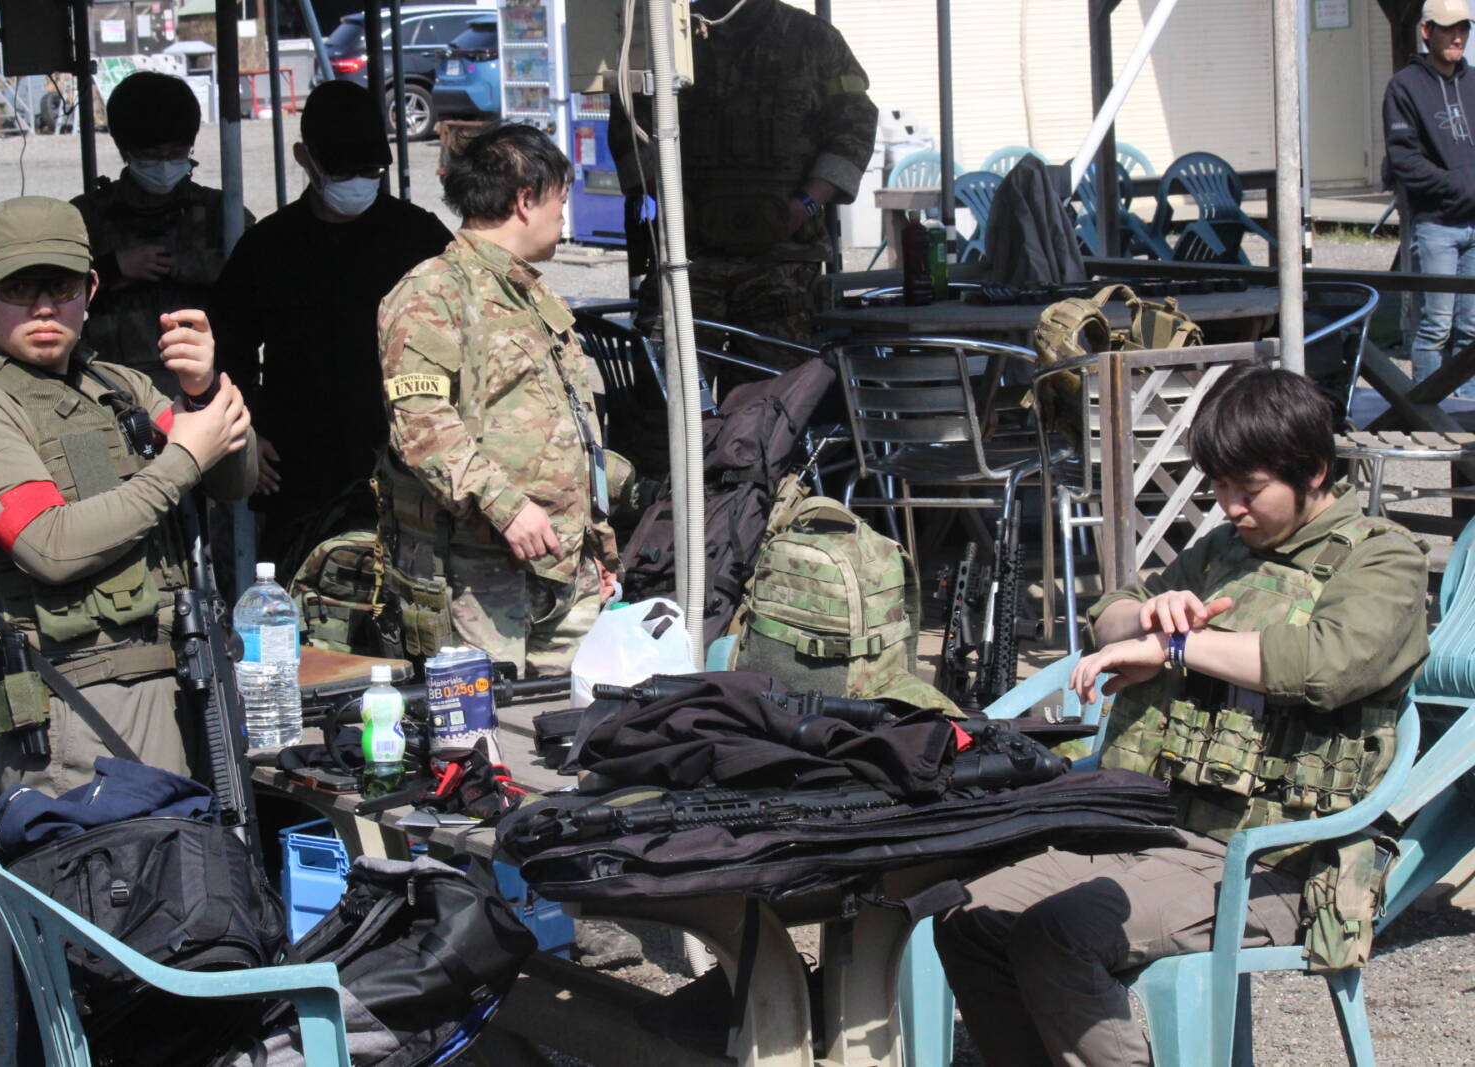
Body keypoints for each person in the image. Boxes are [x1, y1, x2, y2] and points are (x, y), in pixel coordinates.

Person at [933, 366, 1429, 1067]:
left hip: (1276, 860)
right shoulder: (1225, 551)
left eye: (1248, 488)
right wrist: (1147, 619)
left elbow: (1328, 663)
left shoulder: (1382, 560)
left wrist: (1177, 646)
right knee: (969, 915)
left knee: (1060, 934)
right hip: (1154, 830)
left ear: (1315, 471)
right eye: (1219, 488)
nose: (1231, 507)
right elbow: (1110, 612)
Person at [0, 196, 258, 797]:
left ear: (91, 288)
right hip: (76, 702)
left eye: (62, 287)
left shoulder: (116, 386)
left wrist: (204, 390)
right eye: (18, 289)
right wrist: (184, 458)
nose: (44, 307)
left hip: (180, 676)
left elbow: (235, 481)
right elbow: (49, 546)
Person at [376, 122, 619, 676]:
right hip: (480, 575)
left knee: (574, 717)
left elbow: (570, 426)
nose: (564, 219)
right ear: (526, 200)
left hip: (565, 566)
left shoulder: (529, 291)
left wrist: (598, 544)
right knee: (484, 723)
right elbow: (423, 429)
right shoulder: (433, 291)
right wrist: (507, 508)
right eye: (560, 202)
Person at [212, 79, 451, 573]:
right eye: (344, 171)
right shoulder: (268, 246)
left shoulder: (418, 235)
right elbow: (228, 348)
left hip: (405, 460)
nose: (359, 182)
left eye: (371, 171)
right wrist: (248, 429)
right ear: (305, 159)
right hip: (299, 468)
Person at [611, 0, 877, 355]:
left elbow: (855, 126)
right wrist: (677, 207)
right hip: (688, 258)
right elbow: (629, 128)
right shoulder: (664, 38)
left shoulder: (814, 38)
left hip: (784, 262)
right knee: (671, 381)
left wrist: (805, 204)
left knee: (777, 386)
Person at [72, 71, 252, 396]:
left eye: (177, 153)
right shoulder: (88, 218)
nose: (165, 165)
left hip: (209, 390)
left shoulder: (222, 214)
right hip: (113, 392)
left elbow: (257, 288)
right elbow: (49, 296)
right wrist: (113, 268)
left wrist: (184, 265)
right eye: (152, 156)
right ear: (124, 148)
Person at [1384, 0, 1475, 398]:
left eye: (1464, 28)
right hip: (1436, 225)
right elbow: (1404, 160)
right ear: (1426, 31)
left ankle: (1468, 411)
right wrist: (1459, 185)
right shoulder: (1404, 86)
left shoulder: (1473, 82)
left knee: (1471, 328)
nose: (1458, 37)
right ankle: (1425, 411)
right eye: (1449, 28)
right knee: (1435, 326)